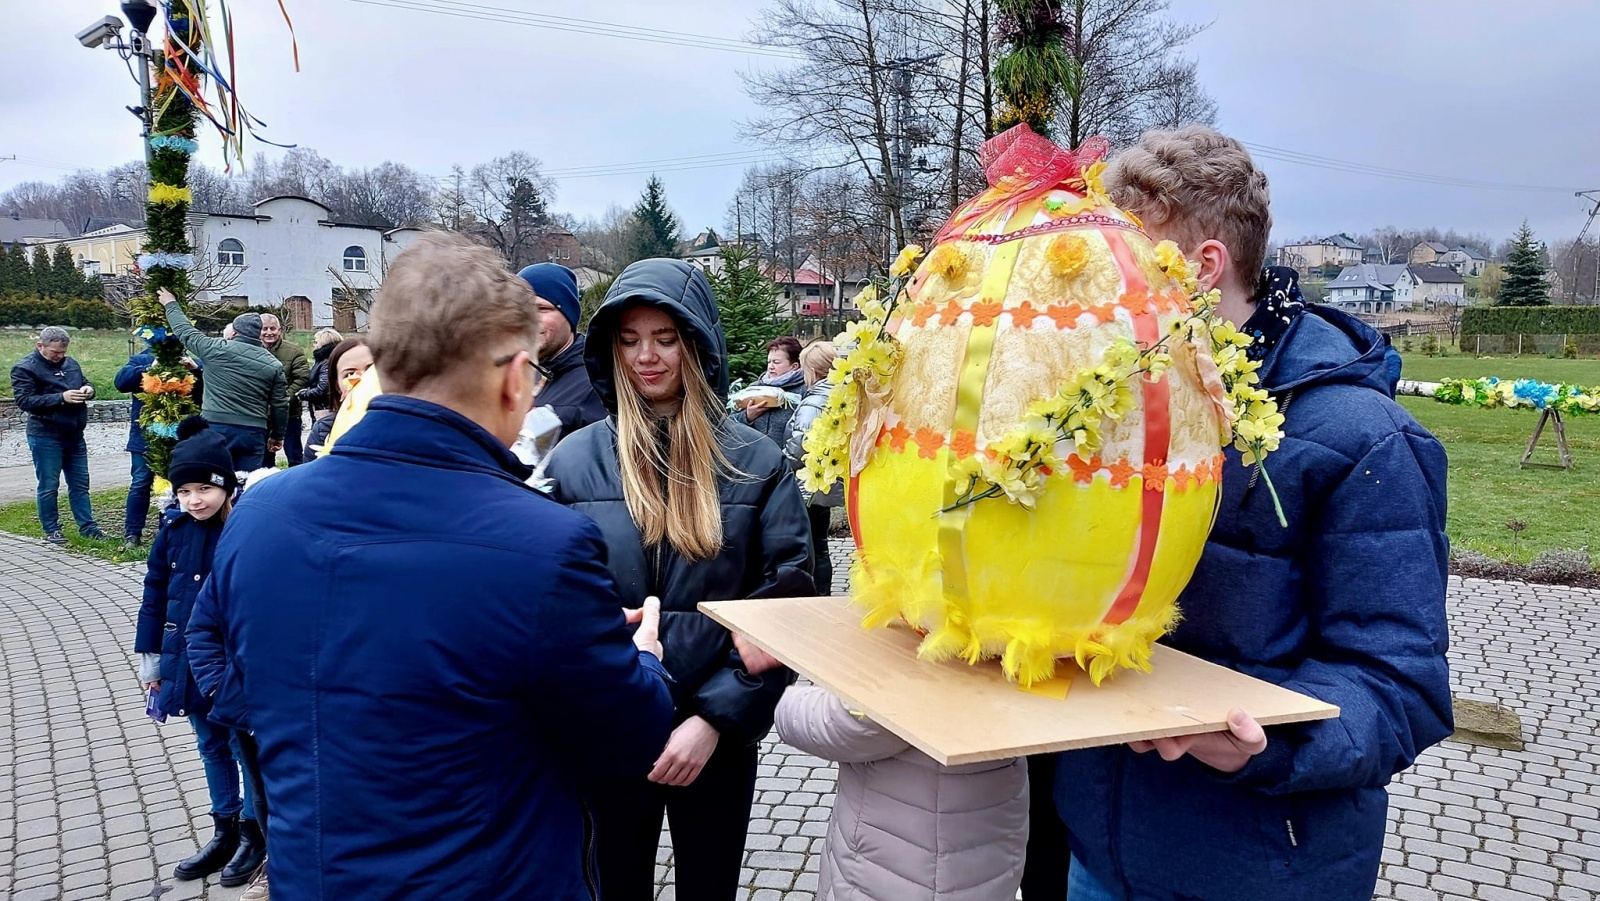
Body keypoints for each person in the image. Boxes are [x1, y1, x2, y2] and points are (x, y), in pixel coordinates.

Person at [185, 231, 675, 900]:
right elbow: (629, 739)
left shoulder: (259, 518)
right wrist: (639, 655)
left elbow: (225, 667)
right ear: (511, 376)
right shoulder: (543, 546)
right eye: (532, 374)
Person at [1052, 126, 1452, 901]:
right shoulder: (1108, 408)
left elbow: (1401, 688)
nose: (1104, 288)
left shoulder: (1364, 439)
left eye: (1128, 260)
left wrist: (1264, 744)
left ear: (1204, 267)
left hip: (1263, 866)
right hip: (1099, 855)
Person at [545, 258, 814, 901]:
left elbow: (789, 596)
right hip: (610, 730)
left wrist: (714, 719)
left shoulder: (755, 461)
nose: (647, 358)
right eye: (630, 340)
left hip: (716, 736)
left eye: (665, 338)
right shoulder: (576, 459)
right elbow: (549, 605)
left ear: (695, 343)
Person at [132, 416, 264, 885]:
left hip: (231, 663)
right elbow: (155, 592)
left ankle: (255, 830)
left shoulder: (245, 530)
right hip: (183, 662)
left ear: (226, 487)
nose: (193, 500)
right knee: (209, 746)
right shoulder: (173, 530)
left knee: (242, 745)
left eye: (203, 490)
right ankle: (223, 828)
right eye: (183, 491)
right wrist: (151, 661)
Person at [775, 685, 1027, 900]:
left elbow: (859, 721)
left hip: (903, 848)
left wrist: (781, 700)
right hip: (988, 823)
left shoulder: (927, 634)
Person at [160, 295, 288, 471]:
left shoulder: (214, 348)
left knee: (214, 479)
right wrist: (277, 435)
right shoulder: (273, 364)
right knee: (246, 483)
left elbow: (184, 331)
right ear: (258, 334)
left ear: (234, 332)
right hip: (252, 432)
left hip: (215, 426)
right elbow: (280, 405)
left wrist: (170, 304)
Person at [9, 326, 104, 544]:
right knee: (49, 485)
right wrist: (61, 397)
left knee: (80, 484)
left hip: (74, 434)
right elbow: (25, 401)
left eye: (62, 352)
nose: (59, 356)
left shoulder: (71, 364)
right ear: (40, 346)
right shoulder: (25, 368)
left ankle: (88, 527)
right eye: (54, 353)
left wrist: (88, 389)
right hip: (45, 436)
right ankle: (52, 528)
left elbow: (85, 382)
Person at [518, 262, 607, 444]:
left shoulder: (597, 383)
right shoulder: (520, 372)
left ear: (569, 315)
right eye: (521, 309)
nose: (530, 319)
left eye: (542, 309)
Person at [782, 340, 843, 595]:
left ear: (813, 370)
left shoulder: (813, 402)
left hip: (807, 485)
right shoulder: (839, 395)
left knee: (810, 546)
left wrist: (779, 464)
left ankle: (813, 595)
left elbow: (800, 444)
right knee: (821, 544)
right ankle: (823, 593)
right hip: (826, 483)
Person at [302, 338, 371, 462]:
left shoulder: (407, 421)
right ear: (337, 385)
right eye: (350, 374)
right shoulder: (323, 430)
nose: (364, 379)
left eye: (371, 370)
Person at [258, 314, 310, 468]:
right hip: (261, 415)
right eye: (264, 329)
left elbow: (302, 379)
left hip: (289, 414)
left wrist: (283, 400)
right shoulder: (251, 351)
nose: (269, 332)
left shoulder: (293, 351)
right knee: (264, 458)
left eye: (272, 329)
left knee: (294, 455)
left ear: (279, 330)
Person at [736, 335, 806, 447]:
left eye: (776, 362)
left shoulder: (804, 391)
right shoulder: (755, 388)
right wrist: (747, 416)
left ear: (794, 366)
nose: (770, 367)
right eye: (769, 362)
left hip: (787, 461)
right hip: (754, 459)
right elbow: (730, 422)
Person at [296, 328, 343, 418]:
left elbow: (323, 389)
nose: (314, 345)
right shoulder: (326, 360)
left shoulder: (326, 362)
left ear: (323, 343)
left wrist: (304, 394)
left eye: (316, 342)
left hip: (325, 409)